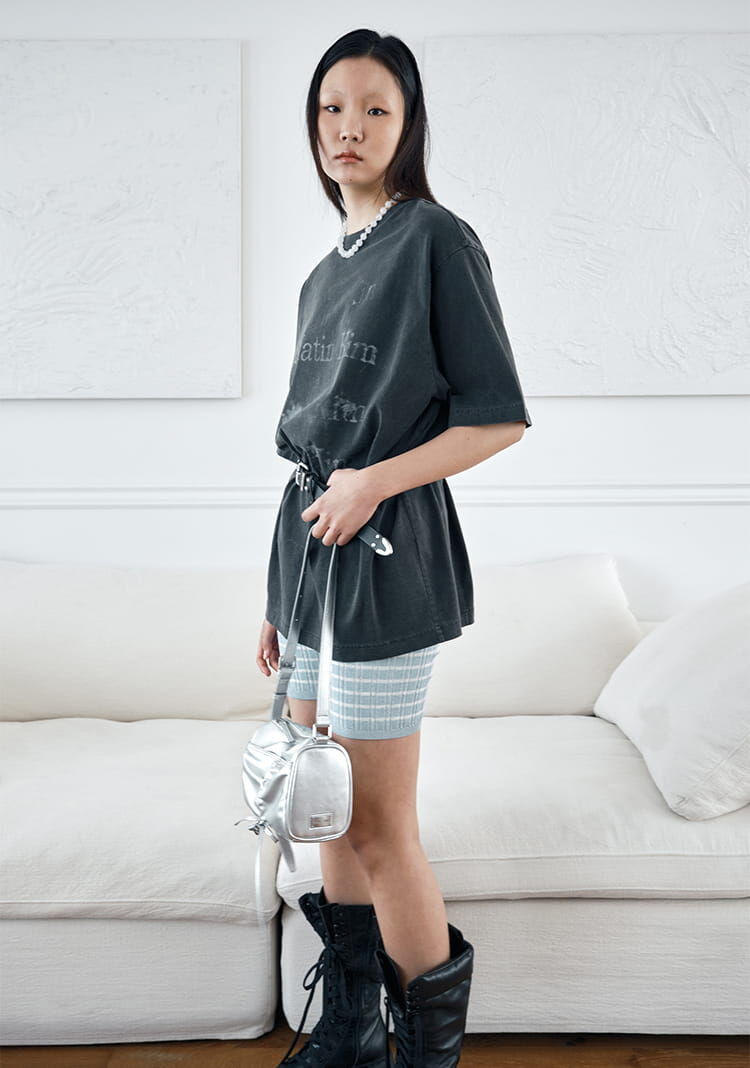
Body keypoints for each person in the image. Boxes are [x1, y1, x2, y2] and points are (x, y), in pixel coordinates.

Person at [255, 27, 532, 1068]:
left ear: (408, 124)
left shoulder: (434, 239)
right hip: (313, 563)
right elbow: (311, 456)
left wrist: (374, 480)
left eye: (376, 108)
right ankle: (350, 1038)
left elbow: (497, 418)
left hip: (385, 554)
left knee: (378, 825)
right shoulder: (321, 275)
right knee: (324, 811)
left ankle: (425, 1055)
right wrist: (280, 598)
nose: (350, 127)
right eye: (332, 108)